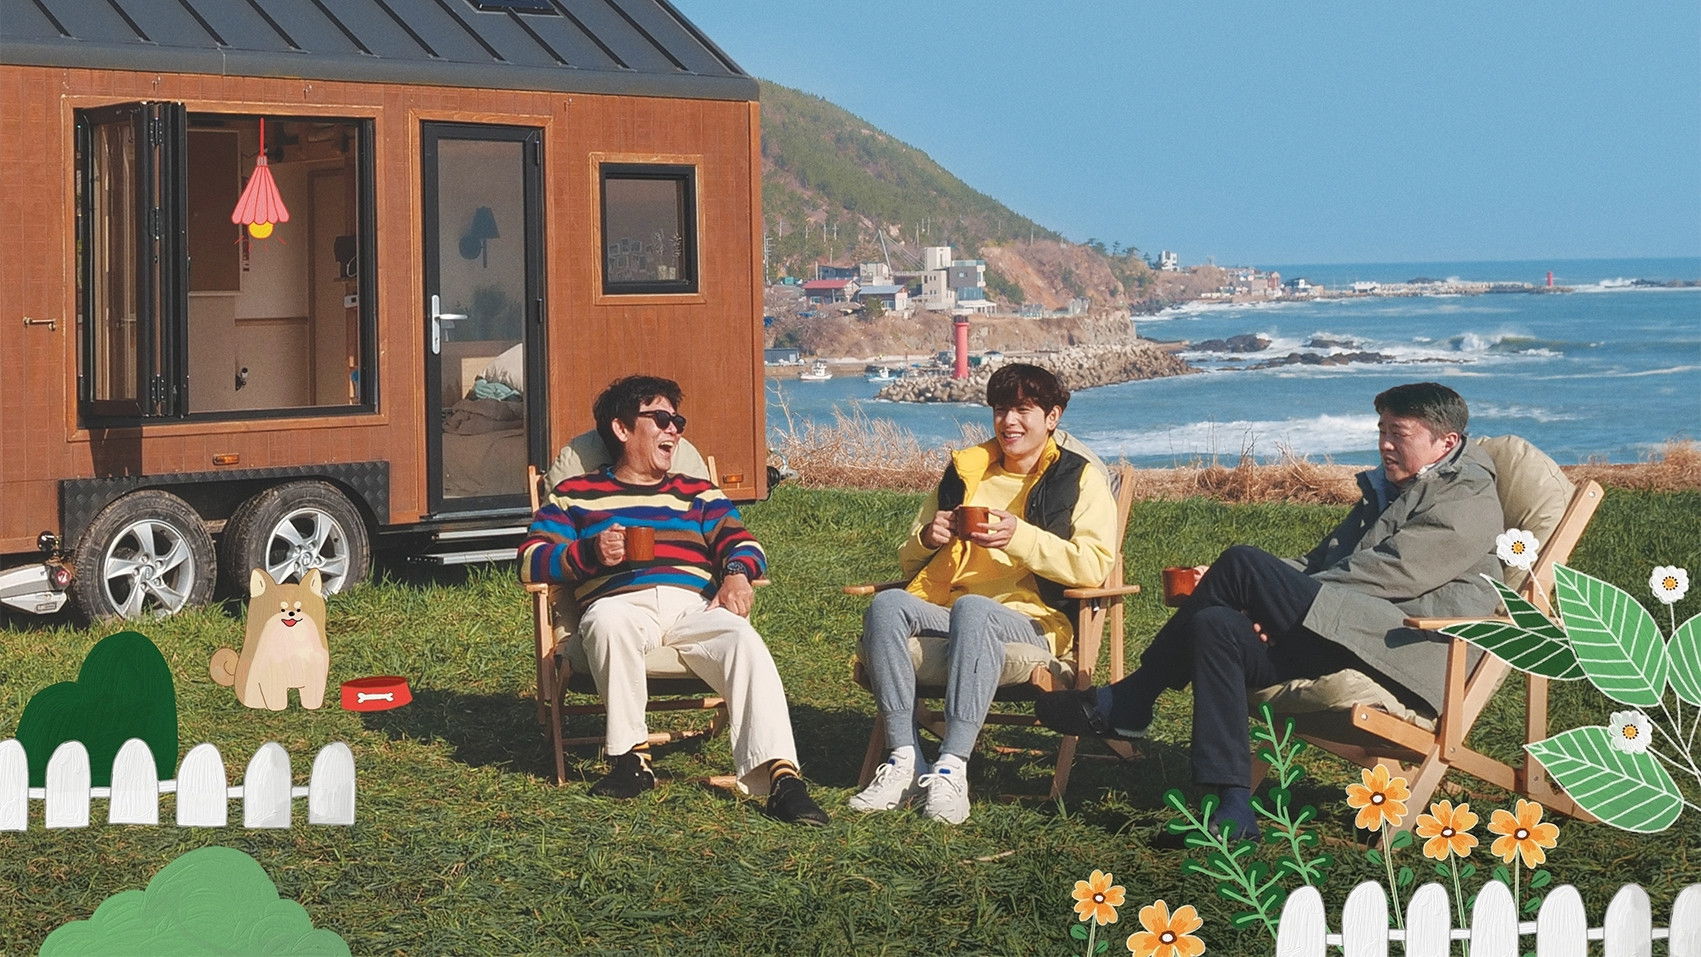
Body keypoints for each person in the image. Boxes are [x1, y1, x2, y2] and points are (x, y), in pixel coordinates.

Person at [1035, 381, 1502, 840]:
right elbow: (1318, 563)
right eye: (1381, 430)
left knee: (1242, 563)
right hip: (1351, 634)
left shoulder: (1468, 496)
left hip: (1405, 653)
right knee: (1214, 624)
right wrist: (1259, 590)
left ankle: (1135, 696)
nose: (1384, 444)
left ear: (1446, 443)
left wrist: (1270, 591)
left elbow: (1396, 573)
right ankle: (1233, 809)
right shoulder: (1392, 491)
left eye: (1398, 434)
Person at [518, 375, 827, 826]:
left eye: (677, 421)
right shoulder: (575, 495)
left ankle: (782, 779)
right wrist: (589, 553)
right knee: (607, 620)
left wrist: (736, 573)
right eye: (661, 419)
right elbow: (530, 560)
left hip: (693, 607)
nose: (674, 430)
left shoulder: (698, 493)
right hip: (621, 604)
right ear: (622, 428)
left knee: (742, 639)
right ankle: (631, 760)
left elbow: (744, 543)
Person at [850, 363, 1117, 824]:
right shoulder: (965, 472)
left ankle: (952, 767)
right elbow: (909, 563)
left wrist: (1020, 537)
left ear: (1052, 417)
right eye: (1000, 410)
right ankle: (905, 760)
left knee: (974, 608)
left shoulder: (1079, 478)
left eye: (1023, 410)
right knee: (888, 604)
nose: (1009, 422)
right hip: (949, 613)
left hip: (1033, 622)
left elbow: (1094, 566)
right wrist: (927, 539)